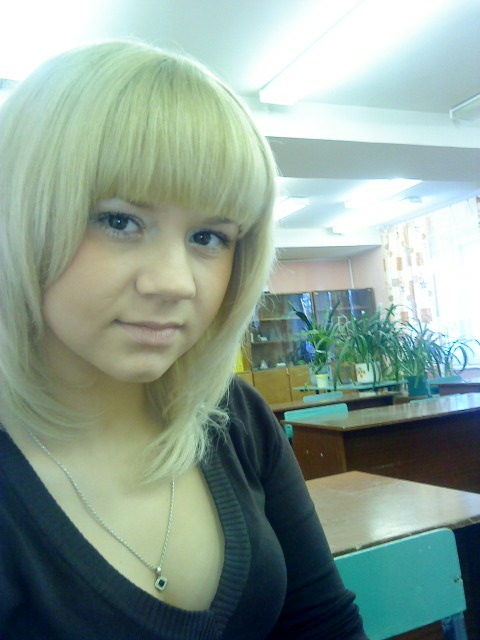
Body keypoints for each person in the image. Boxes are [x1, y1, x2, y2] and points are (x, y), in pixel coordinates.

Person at [0, 40, 367, 639]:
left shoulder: (234, 416)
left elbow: (321, 623)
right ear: (20, 215)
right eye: (119, 220)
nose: (175, 283)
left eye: (208, 237)